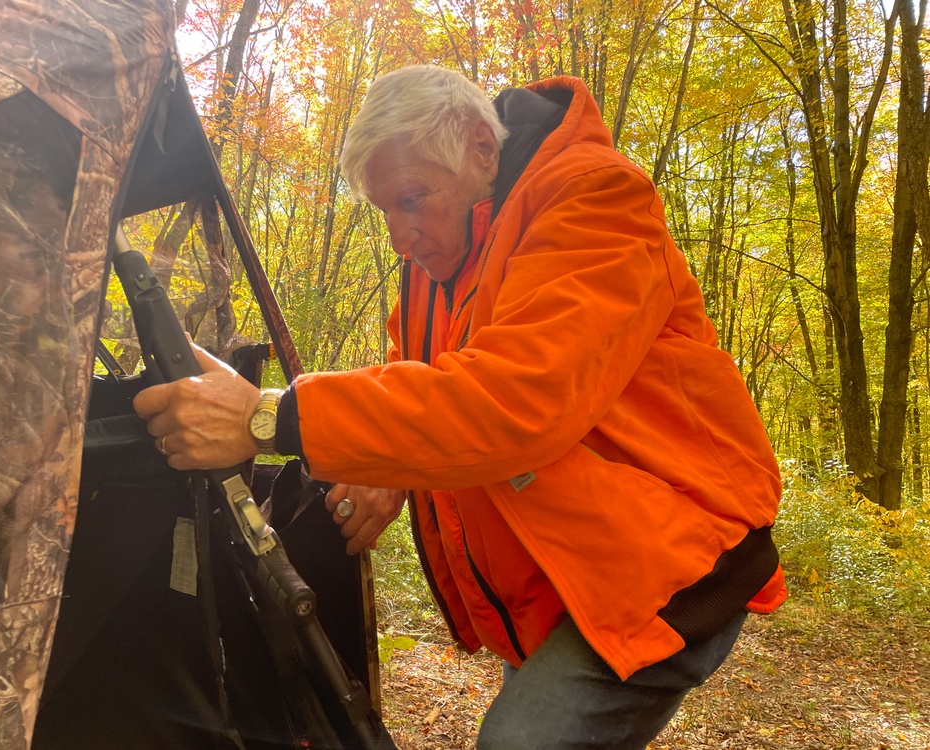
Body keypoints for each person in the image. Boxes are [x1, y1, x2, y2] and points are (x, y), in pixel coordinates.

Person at [133, 65, 787, 749]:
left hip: (671, 561)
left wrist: (268, 418)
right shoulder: (438, 268)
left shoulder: (594, 201)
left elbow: (517, 400)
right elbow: (419, 380)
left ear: (481, 147)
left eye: (413, 199)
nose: (399, 237)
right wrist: (392, 466)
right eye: (385, 210)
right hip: (566, 578)